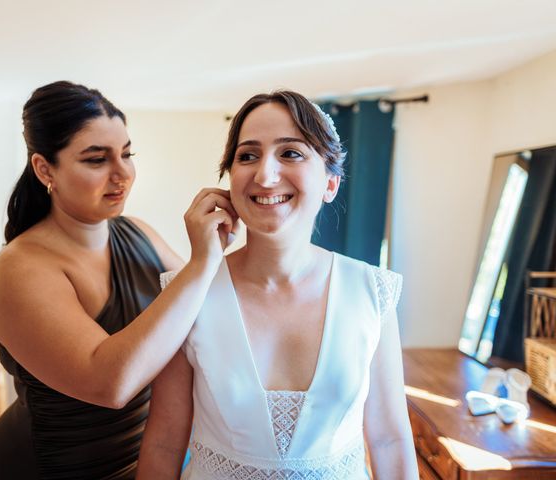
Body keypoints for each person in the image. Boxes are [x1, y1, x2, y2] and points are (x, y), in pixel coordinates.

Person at [136, 91, 418, 479]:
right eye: (247, 156)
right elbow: (165, 441)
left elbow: (389, 439)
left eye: (291, 153)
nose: (265, 175)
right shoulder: (187, 294)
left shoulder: (373, 291)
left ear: (330, 184)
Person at [0, 81, 237, 480]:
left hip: (143, 460)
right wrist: (202, 262)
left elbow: (209, 309)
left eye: (127, 154)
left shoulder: (138, 234)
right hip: (53, 469)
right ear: (44, 168)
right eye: (97, 160)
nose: (122, 174)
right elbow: (111, 384)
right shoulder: (19, 268)